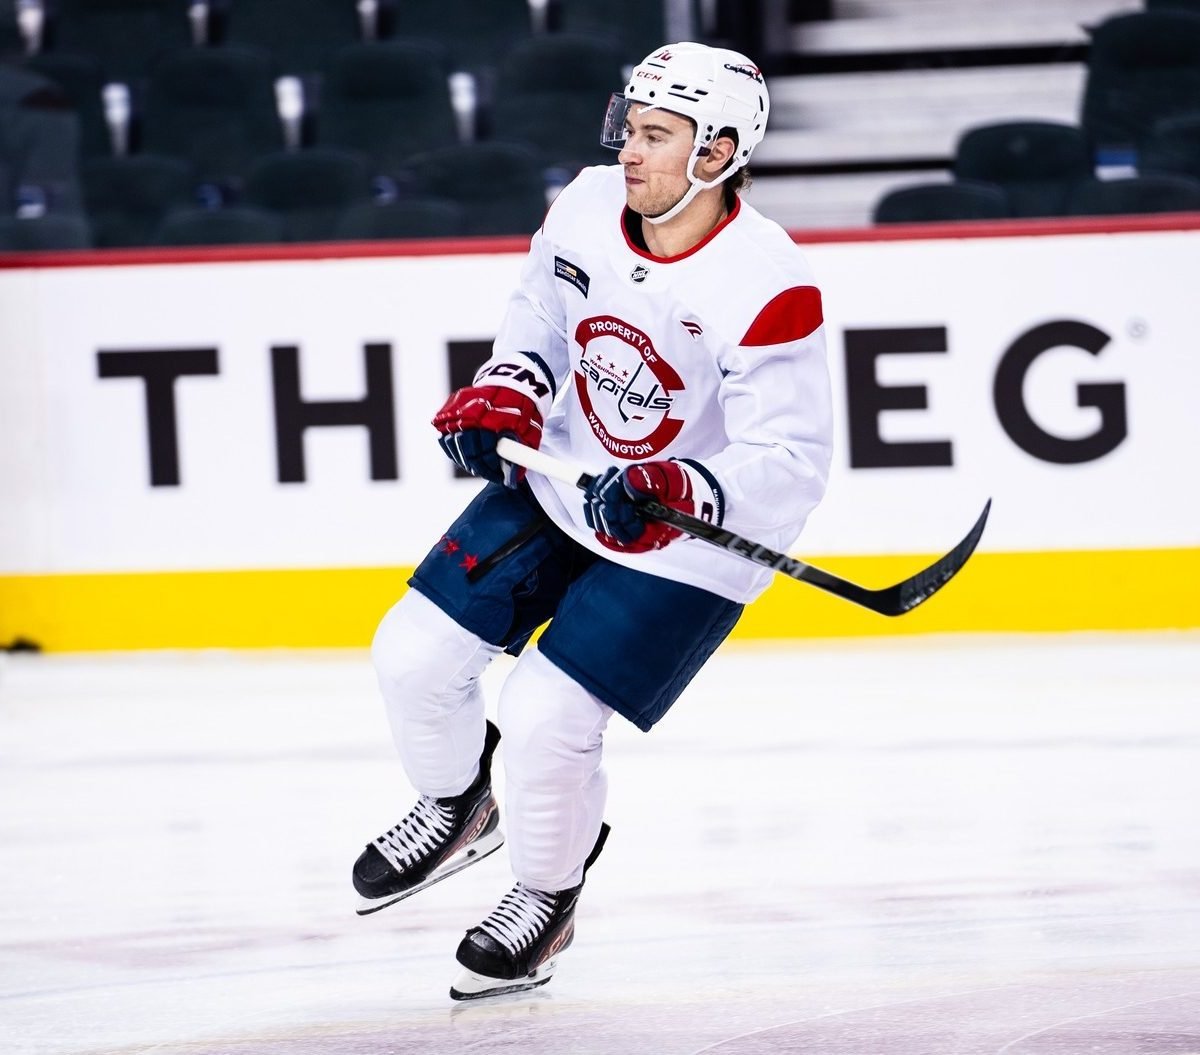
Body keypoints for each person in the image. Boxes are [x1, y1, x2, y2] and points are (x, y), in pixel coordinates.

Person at [353, 40, 833, 1001]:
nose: (630, 152)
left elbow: (792, 461)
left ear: (719, 151)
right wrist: (512, 385)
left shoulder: (768, 281)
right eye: (630, 128)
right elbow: (538, 306)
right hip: (565, 481)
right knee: (410, 654)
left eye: (657, 136)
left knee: (542, 719)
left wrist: (685, 486)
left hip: (685, 542)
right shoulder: (582, 204)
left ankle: (545, 895)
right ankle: (461, 805)